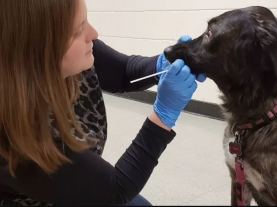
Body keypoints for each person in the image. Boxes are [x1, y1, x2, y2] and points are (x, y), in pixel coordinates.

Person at [0, 0, 207, 206]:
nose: (93, 34)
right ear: (38, 50)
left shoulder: (78, 56)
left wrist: (161, 64)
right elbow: (112, 195)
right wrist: (163, 115)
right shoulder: (15, 131)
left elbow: (125, 71)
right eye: (77, 31)